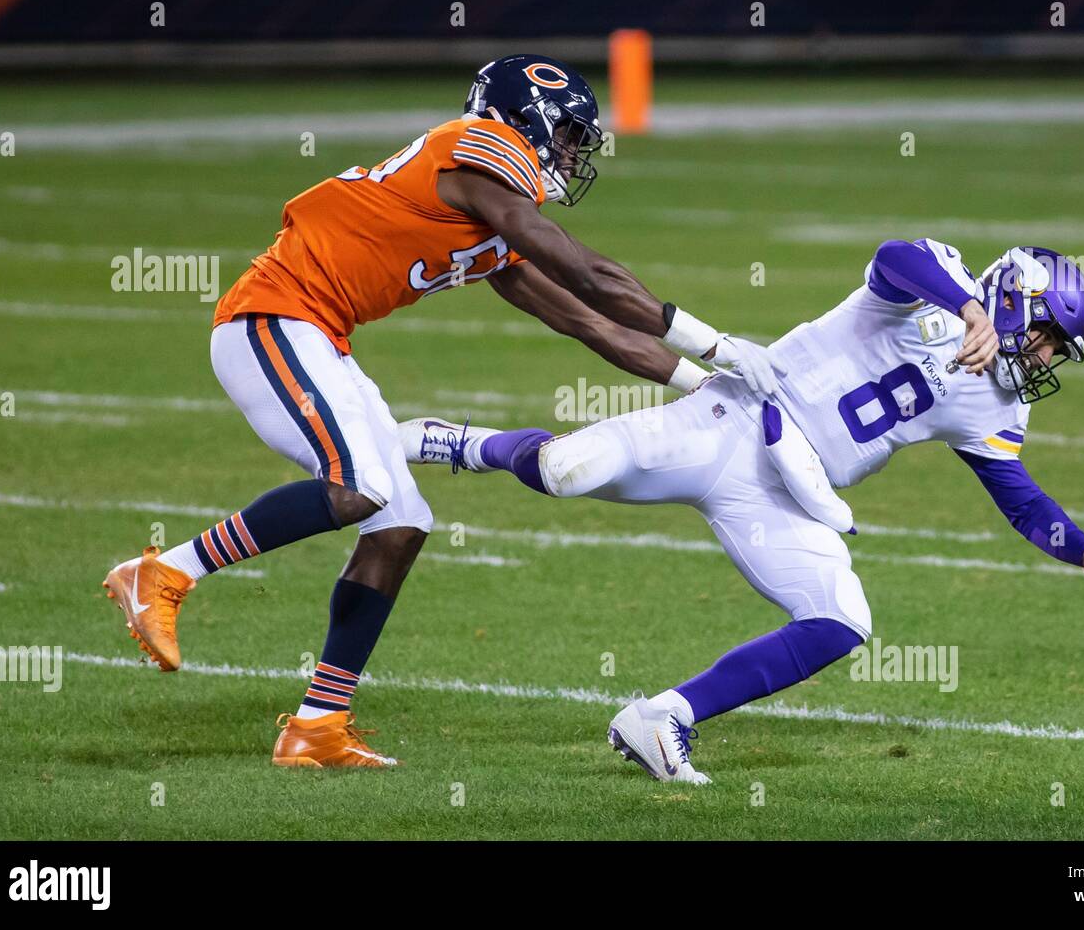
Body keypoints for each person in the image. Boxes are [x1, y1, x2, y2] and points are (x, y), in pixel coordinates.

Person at [101, 55, 783, 768]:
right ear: (525, 120)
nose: (575, 153)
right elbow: (590, 272)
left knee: (400, 525)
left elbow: (590, 323)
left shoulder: (498, 215)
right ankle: (166, 572)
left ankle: (317, 728)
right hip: (270, 320)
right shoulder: (478, 148)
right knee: (357, 486)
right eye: (570, 135)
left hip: (321, 337)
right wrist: (717, 341)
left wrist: (704, 385)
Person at [400, 239, 1084, 783]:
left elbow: (1017, 494)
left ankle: (662, 718)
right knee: (565, 469)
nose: (1045, 359)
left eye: (1057, 351)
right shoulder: (937, 290)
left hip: (788, 493)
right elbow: (895, 257)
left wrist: (1079, 547)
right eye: (1047, 337)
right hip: (727, 422)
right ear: (1013, 299)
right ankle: (464, 444)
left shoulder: (999, 399)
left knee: (842, 619)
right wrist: (964, 308)